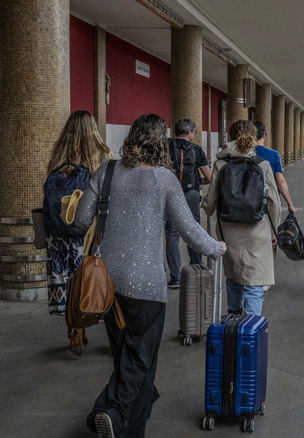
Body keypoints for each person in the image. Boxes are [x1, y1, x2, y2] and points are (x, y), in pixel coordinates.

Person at [74, 114, 225, 437]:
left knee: (126, 360)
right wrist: (216, 248)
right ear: (161, 142)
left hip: (106, 284)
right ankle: (109, 411)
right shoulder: (164, 179)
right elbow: (189, 230)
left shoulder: (108, 170)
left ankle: (129, 426)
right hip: (146, 286)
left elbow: (82, 218)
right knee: (139, 362)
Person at [45, 110, 112, 356]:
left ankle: (75, 329)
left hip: (57, 228)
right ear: (92, 129)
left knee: (66, 278)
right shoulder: (101, 154)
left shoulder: (58, 153)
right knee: (85, 276)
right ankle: (82, 325)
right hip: (87, 227)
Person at [202, 120, 281, 316]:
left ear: (230, 136)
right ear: (254, 137)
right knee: (254, 284)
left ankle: (233, 319)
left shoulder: (220, 164)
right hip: (258, 232)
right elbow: (273, 202)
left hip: (228, 233)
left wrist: (205, 206)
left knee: (233, 276)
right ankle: (251, 330)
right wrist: (274, 231)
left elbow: (211, 202)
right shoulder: (262, 164)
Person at [165, 117, 212, 289]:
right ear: (190, 132)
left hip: (171, 194)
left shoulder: (166, 146)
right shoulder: (197, 150)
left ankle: (175, 278)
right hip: (191, 194)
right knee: (193, 230)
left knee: (172, 234)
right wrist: (200, 183)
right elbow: (209, 177)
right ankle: (196, 267)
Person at [253, 120, 296, 216]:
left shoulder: (243, 154)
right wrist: (290, 204)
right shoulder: (273, 155)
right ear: (264, 135)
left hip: (246, 200)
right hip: (269, 200)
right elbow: (280, 182)